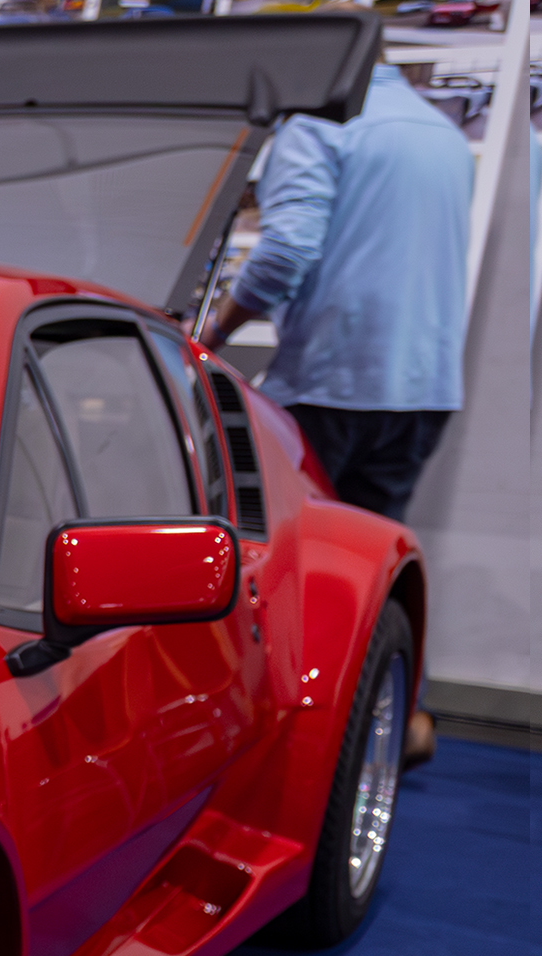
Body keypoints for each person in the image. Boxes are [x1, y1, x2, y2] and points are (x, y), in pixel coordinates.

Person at [200, 40, 472, 765]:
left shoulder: (320, 127)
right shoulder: (439, 131)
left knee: (292, 566)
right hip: (425, 383)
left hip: (332, 379)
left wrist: (212, 335)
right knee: (378, 561)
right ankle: (395, 719)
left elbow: (287, 251)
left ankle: (297, 737)